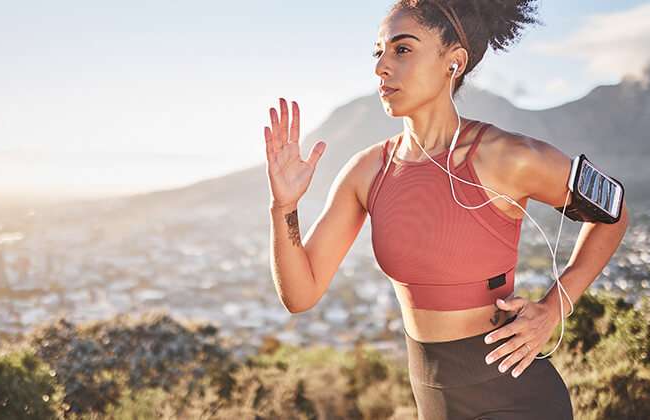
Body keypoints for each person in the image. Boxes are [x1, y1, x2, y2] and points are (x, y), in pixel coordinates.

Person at [262, 0, 630, 418]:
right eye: (378, 51)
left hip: (516, 396)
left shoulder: (508, 156)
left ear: (453, 62)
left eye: (402, 49)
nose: (381, 66)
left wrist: (553, 308)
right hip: (435, 401)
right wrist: (284, 206)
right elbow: (300, 293)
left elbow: (614, 213)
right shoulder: (367, 172)